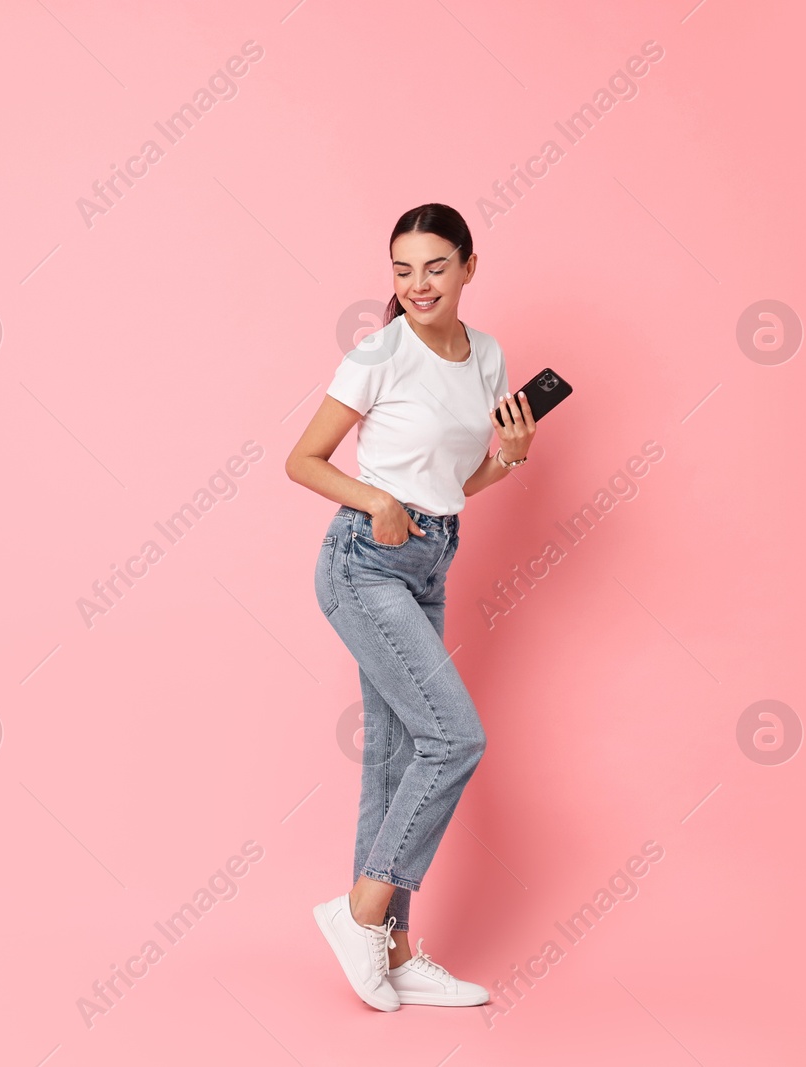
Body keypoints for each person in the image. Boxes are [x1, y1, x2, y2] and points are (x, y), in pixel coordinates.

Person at [284, 203, 537, 1011]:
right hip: (363, 559)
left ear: (468, 265)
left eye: (434, 266)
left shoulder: (485, 356)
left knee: (395, 759)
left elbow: (456, 485)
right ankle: (359, 911)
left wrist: (512, 458)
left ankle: (390, 954)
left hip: (432, 557)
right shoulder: (378, 353)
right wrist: (376, 501)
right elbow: (303, 459)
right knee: (454, 736)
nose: (417, 283)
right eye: (402, 269)